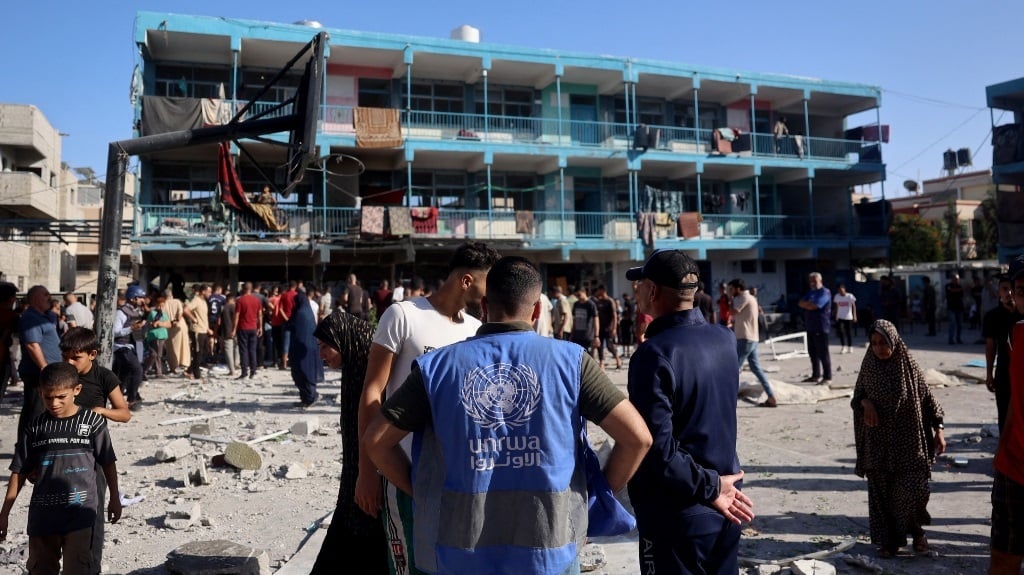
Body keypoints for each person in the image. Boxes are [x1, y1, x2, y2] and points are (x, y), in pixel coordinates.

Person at [363, 257, 652, 575]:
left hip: (461, 551)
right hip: (550, 550)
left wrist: (423, 492)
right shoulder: (572, 362)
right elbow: (637, 438)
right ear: (538, 310)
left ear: (484, 306)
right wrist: (592, 498)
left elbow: (376, 442)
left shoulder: (437, 368)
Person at [357, 241, 500, 575]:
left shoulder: (475, 330)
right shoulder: (403, 316)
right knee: (409, 565)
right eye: (487, 285)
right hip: (404, 471)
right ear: (466, 280)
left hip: (458, 477)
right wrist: (366, 472)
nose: (490, 295)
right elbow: (372, 393)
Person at [625, 250, 754, 574]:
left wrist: (710, 488)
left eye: (640, 285)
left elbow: (657, 447)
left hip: (679, 512)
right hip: (727, 503)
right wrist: (717, 488)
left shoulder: (654, 354)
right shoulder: (723, 339)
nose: (636, 292)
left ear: (653, 291)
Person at [0, 362, 122, 575]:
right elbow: (19, 470)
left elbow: (108, 462)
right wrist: (4, 514)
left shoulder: (92, 423)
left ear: (76, 390)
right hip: (43, 518)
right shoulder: (35, 427)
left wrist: (114, 498)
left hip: (81, 515)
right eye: (48, 397)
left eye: (61, 397)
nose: (54, 403)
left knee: (78, 569)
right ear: (40, 393)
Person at [851, 319, 946, 558]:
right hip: (878, 444)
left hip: (909, 442)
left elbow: (928, 400)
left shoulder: (908, 366)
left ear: (893, 341)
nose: (879, 348)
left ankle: (917, 530)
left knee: (913, 491)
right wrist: (866, 403)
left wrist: (939, 429)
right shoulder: (869, 365)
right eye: (874, 343)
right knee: (882, 494)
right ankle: (890, 541)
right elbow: (857, 396)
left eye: (883, 343)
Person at [310, 310, 388, 574]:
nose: (321, 355)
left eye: (325, 346)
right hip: (357, 474)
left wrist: (370, 474)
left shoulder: (373, 367)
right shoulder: (356, 365)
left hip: (373, 473)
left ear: (344, 339)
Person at [60, 327, 131, 571]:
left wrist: (101, 411)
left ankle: (92, 567)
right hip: (61, 457)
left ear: (92, 354)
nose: (68, 362)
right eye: (65, 356)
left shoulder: (104, 377)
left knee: (93, 517)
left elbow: (124, 413)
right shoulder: (60, 377)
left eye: (75, 357)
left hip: (93, 457)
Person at [991, 256, 1024, 574]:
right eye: (1021, 290)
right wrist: (1003, 449)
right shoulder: (1017, 333)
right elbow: (1017, 395)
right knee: (1003, 559)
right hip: (1013, 467)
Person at [17, 286, 63, 437]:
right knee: (35, 411)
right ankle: (26, 448)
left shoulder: (45, 316)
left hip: (50, 372)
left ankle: (37, 444)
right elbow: (32, 344)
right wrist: (44, 367)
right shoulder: (30, 318)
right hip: (38, 373)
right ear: (36, 299)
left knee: (43, 410)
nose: (49, 297)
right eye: (46, 295)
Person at [729, 279, 777, 408]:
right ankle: (771, 396)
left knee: (734, 369)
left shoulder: (744, 298)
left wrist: (728, 300)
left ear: (738, 288)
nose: (730, 292)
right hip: (751, 338)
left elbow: (733, 312)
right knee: (756, 369)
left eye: (732, 289)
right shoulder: (749, 298)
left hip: (745, 338)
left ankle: (727, 399)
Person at [114, 285, 147, 409]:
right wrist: (132, 328)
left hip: (131, 346)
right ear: (133, 298)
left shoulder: (136, 311)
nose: (143, 300)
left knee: (124, 374)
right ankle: (132, 400)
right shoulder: (121, 312)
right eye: (140, 298)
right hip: (121, 346)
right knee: (137, 370)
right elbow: (115, 331)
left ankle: (118, 400)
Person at [290, 289, 324, 408]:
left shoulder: (301, 313)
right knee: (304, 373)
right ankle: (306, 398)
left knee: (304, 372)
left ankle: (310, 397)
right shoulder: (306, 311)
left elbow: (295, 330)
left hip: (302, 349)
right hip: (308, 348)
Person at [799, 272, 833, 385]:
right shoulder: (811, 292)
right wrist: (808, 304)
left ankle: (827, 377)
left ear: (820, 280)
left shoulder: (825, 292)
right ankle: (816, 375)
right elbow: (800, 303)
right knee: (813, 353)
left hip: (821, 326)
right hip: (810, 326)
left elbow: (815, 306)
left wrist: (809, 305)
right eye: (811, 281)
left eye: (815, 281)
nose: (812, 283)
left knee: (823, 353)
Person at [233, 282, 263, 380]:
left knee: (243, 350)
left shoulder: (240, 300)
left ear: (243, 289)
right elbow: (259, 314)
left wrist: (234, 329)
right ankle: (253, 371)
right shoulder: (257, 300)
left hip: (242, 327)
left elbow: (236, 316)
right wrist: (260, 327)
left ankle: (244, 372)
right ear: (251, 289)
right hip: (253, 327)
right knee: (252, 350)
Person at [183, 284, 212, 381]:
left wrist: (208, 328)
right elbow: (186, 310)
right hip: (197, 330)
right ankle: (197, 374)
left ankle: (189, 370)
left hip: (203, 329)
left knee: (203, 352)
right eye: (208, 292)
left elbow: (204, 316)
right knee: (198, 352)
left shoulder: (204, 302)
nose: (210, 294)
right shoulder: (196, 300)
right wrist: (193, 319)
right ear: (203, 291)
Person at [593, 285, 621, 370]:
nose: (597, 292)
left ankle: (617, 359)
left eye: (598, 290)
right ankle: (601, 362)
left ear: (602, 290)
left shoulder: (610, 301)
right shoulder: (598, 301)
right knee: (599, 346)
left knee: (609, 345)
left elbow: (614, 315)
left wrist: (614, 328)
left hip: (608, 327)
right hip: (600, 328)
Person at [163, 287, 190, 375]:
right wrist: (177, 320)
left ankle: (173, 367)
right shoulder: (177, 301)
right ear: (171, 295)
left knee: (172, 347)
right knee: (184, 346)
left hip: (169, 326)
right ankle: (185, 364)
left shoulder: (163, 304)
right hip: (180, 326)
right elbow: (180, 312)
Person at [142, 296, 171, 379]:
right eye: (160, 305)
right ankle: (158, 372)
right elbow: (152, 324)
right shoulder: (153, 313)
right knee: (156, 355)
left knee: (158, 354)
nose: (161, 307)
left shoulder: (164, 314)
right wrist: (159, 324)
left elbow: (168, 324)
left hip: (162, 336)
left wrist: (160, 324)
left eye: (163, 305)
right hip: (155, 336)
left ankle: (149, 371)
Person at [571, 287, 600, 357]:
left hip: (587, 336)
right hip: (577, 335)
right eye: (576, 295)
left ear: (584, 292)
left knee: (587, 356)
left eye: (579, 295)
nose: (578, 297)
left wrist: (596, 336)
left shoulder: (591, 305)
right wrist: (572, 333)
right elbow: (574, 319)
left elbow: (596, 320)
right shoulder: (576, 304)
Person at [833, 283, 858, 354]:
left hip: (848, 317)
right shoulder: (837, 296)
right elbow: (836, 306)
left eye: (841, 290)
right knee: (841, 331)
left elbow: (853, 306)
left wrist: (854, 315)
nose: (840, 291)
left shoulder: (850, 296)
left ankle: (850, 347)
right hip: (840, 317)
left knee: (848, 332)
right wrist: (836, 315)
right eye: (839, 290)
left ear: (844, 289)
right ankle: (843, 346)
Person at [220, 292, 239, 377]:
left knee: (228, 351)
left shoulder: (223, 308)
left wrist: (217, 332)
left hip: (226, 331)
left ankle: (232, 370)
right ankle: (236, 364)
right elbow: (236, 318)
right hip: (236, 331)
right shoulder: (235, 307)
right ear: (232, 299)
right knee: (236, 348)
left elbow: (219, 321)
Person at [945, 273, 965, 345]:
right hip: (951, 308)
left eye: (958, 279)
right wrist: (960, 289)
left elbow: (962, 295)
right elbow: (951, 291)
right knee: (952, 324)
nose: (957, 280)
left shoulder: (960, 286)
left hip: (959, 308)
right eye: (955, 279)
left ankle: (958, 338)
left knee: (959, 325)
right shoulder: (948, 286)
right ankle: (951, 339)